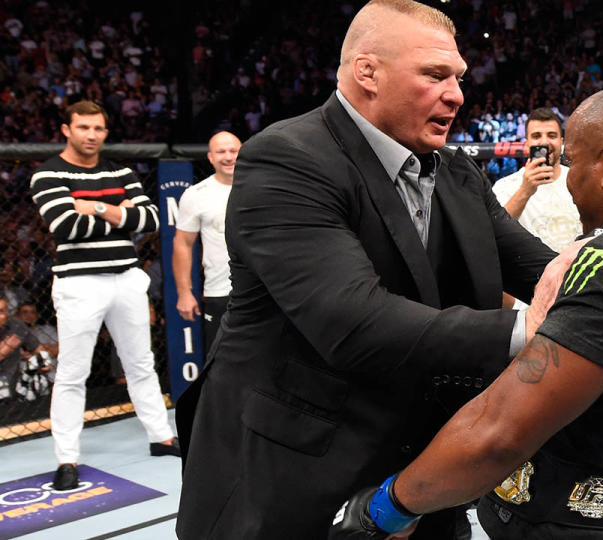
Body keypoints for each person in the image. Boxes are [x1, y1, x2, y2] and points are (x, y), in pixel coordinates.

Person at [330, 83, 603, 540]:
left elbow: (498, 432)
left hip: (564, 526)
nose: (567, 178)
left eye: (571, 161)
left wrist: (385, 508)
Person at [175, 1, 555, 537]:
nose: (457, 94)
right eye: (434, 74)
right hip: (293, 473)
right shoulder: (287, 158)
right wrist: (528, 329)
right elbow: (354, 322)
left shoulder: (456, 171)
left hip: (418, 475)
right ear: (367, 72)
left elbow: (538, 268)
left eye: (459, 77)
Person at [29, 100, 180, 492]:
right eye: (83, 128)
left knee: (141, 363)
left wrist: (94, 206)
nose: (91, 135)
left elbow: (149, 219)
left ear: (106, 131)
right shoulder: (48, 173)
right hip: (79, 282)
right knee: (72, 373)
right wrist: (119, 211)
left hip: (127, 277)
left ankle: (161, 436)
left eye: (98, 128)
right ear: (66, 129)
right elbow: (65, 227)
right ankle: (67, 458)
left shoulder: (120, 170)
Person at [172, 131, 242, 351]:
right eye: (221, 152)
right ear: (210, 157)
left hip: (266, 289)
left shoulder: (265, 187)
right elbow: (183, 244)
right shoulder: (196, 195)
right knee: (220, 361)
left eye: (233, 151)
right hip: (220, 291)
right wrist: (184, 292)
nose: (228, 157)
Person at [491, 108, 581, 253]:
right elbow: (494, 234)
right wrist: (525, 191)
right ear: (527, 143)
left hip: (576, 271)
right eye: (537, 136)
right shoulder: (505, 187)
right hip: (531, 272)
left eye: (552, 136)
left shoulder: (580, 180)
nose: (544, 142)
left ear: (561, 142)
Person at [0, 296, 40, 401]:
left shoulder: (15, 325)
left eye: (3, 311)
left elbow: (39, 349)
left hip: (14, 385)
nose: (1, 316)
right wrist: (4, 350)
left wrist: (36, 358)